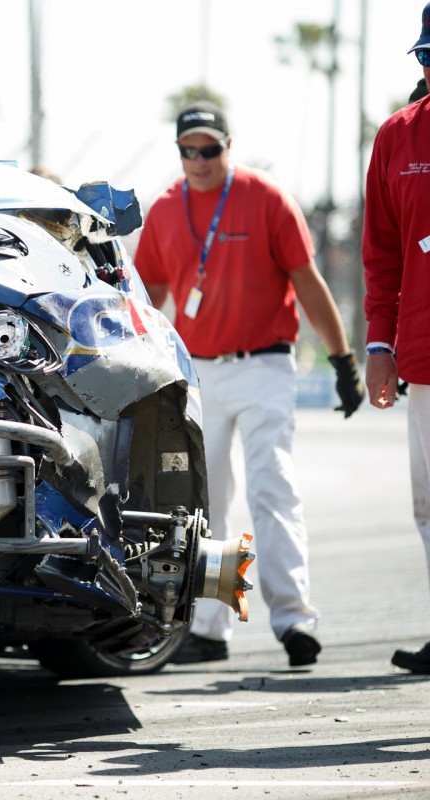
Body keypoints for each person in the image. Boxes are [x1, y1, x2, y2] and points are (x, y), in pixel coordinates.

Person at [135, 100, 364, 668]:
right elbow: (147, 306)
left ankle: (294, 620)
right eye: (189, 151)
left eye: (209, 149)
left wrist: (344, 361)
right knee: (205, 503)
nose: (199, 160)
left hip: (264, 366)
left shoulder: (266, 198)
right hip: (198, 374)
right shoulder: (164, 210)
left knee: (272, 485)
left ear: (228, 147)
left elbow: (308, 284)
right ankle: (209, 630)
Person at [362, 2, 430, 675]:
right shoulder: (397, 137)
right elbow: (383, 257)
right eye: (428, 57)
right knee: (428, 504)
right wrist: (378, 345)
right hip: (424, 357)